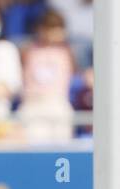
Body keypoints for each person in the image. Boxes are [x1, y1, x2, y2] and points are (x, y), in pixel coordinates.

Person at [17, 8, 76, 143]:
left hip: (57, 103)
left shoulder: (67, 53)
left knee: (61, 145)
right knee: (33, 143)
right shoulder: (28, 51)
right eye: (48, 28)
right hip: (32, 104)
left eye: (56, 28)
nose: (52, 33)